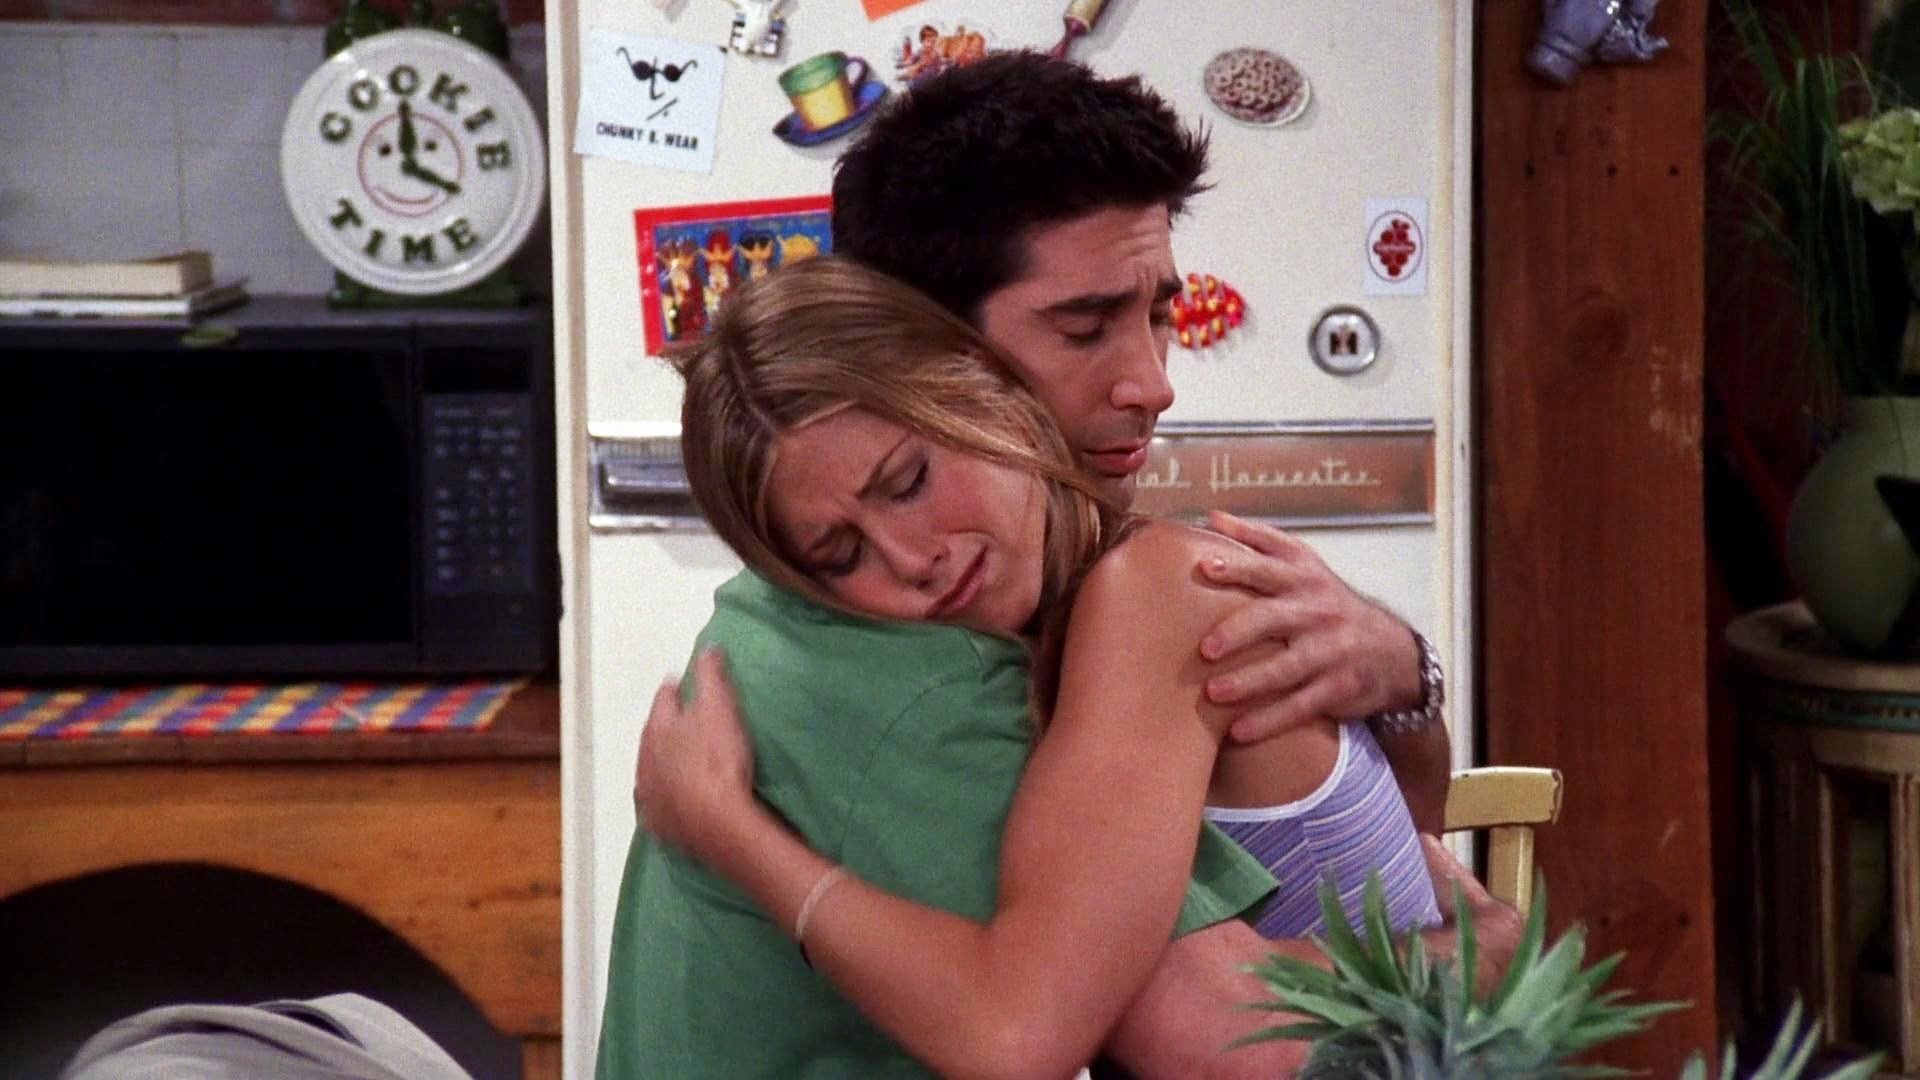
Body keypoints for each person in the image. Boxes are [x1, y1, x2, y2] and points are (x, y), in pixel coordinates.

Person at [600, 52, 1514, 1078]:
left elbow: (1399, 834)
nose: (1153, 384)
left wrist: (1403, 672)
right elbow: (1203, 1037)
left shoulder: (1100, 583)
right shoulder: (935, 670)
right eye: (1085, 329)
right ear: (934, 351)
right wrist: (1494, 955)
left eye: (1159, 312)